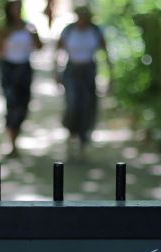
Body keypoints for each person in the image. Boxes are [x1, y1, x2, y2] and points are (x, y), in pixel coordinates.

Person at [55, 5, 112, 149]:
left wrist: (111, 74)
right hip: (71, 70)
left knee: (87, 104)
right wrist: (56, 71)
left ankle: (83, 135)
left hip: (89, 70)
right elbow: (58, 51)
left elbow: (105, 51)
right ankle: (71, 129)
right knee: (73, 103)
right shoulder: (69, 31)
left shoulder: (95, 31)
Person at [0, 0, 42, 156]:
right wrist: (5, 37)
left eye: (19, 7)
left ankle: (16, 136)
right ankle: (11, 142)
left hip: (25, 69)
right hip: (9, 69)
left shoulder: (28, 27)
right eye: (14, 7)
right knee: (12, 104)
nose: (17, 10)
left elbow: (39, 47)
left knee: (23, 104)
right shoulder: (4, 29)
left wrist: (34, 35)